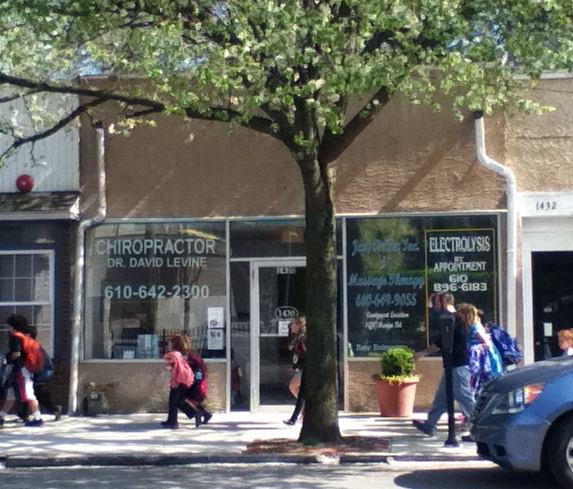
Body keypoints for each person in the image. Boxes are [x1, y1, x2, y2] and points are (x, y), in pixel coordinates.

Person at [412, 293, 475, 436]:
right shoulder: (451, 319)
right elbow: (442, 342)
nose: (435, 307)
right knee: (441, 398)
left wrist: (422, 353)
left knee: (465, 397)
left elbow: (441, 343)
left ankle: (479, 426)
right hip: (451, 366)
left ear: (444, 303)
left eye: (437, 303)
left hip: (458, 366)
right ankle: (430, 424)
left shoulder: (454, 320)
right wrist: (422, 353)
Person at [0, 314, 44, 427]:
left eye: (9, 326)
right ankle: (1, 416)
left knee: (28, 394)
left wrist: (7, 358)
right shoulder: (25, 337)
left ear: (13, 326)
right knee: (12, 394)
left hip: (20, 370)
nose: (8, 328)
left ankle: (38, 417)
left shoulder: (15, 337)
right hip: (25, 369)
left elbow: (16, 353)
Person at [459, 304, 503, 396]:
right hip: (476, 359)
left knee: (483, 383)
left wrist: (473, 349)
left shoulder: (475, 327)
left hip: (484, 360)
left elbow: (486, 344)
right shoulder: (468, 327)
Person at [161, 334, 195, 429]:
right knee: (178, 401)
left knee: (173, 402)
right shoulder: (179, 354)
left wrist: (174, 382)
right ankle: (194, 413)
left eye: (169, 343)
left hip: (178, 380)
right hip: (184, 380)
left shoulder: (173, 355)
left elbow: (175, 369)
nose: (168, 345)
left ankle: (173, 422)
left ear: (173, 344)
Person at [182, 336, 212, 427]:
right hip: (195, 382)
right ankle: (206, 414)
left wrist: (195, 383)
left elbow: (198, 372)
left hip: (195, 383)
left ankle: (199, 414)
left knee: (188, 399)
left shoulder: (193, 359)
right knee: (193, 400)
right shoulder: (192, 358)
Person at [284, 316, 306, 426]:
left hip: (304, 368)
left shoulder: (303, 337)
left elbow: (303, 353)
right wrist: (289, 329)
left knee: (295, 388)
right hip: (300, 367)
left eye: (292, 324)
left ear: (298, 325)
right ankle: (302, 412)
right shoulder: (298, 336)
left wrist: (293, 349)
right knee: (296, 389)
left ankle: (295, 417)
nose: (291, 326)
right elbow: (290, 343)